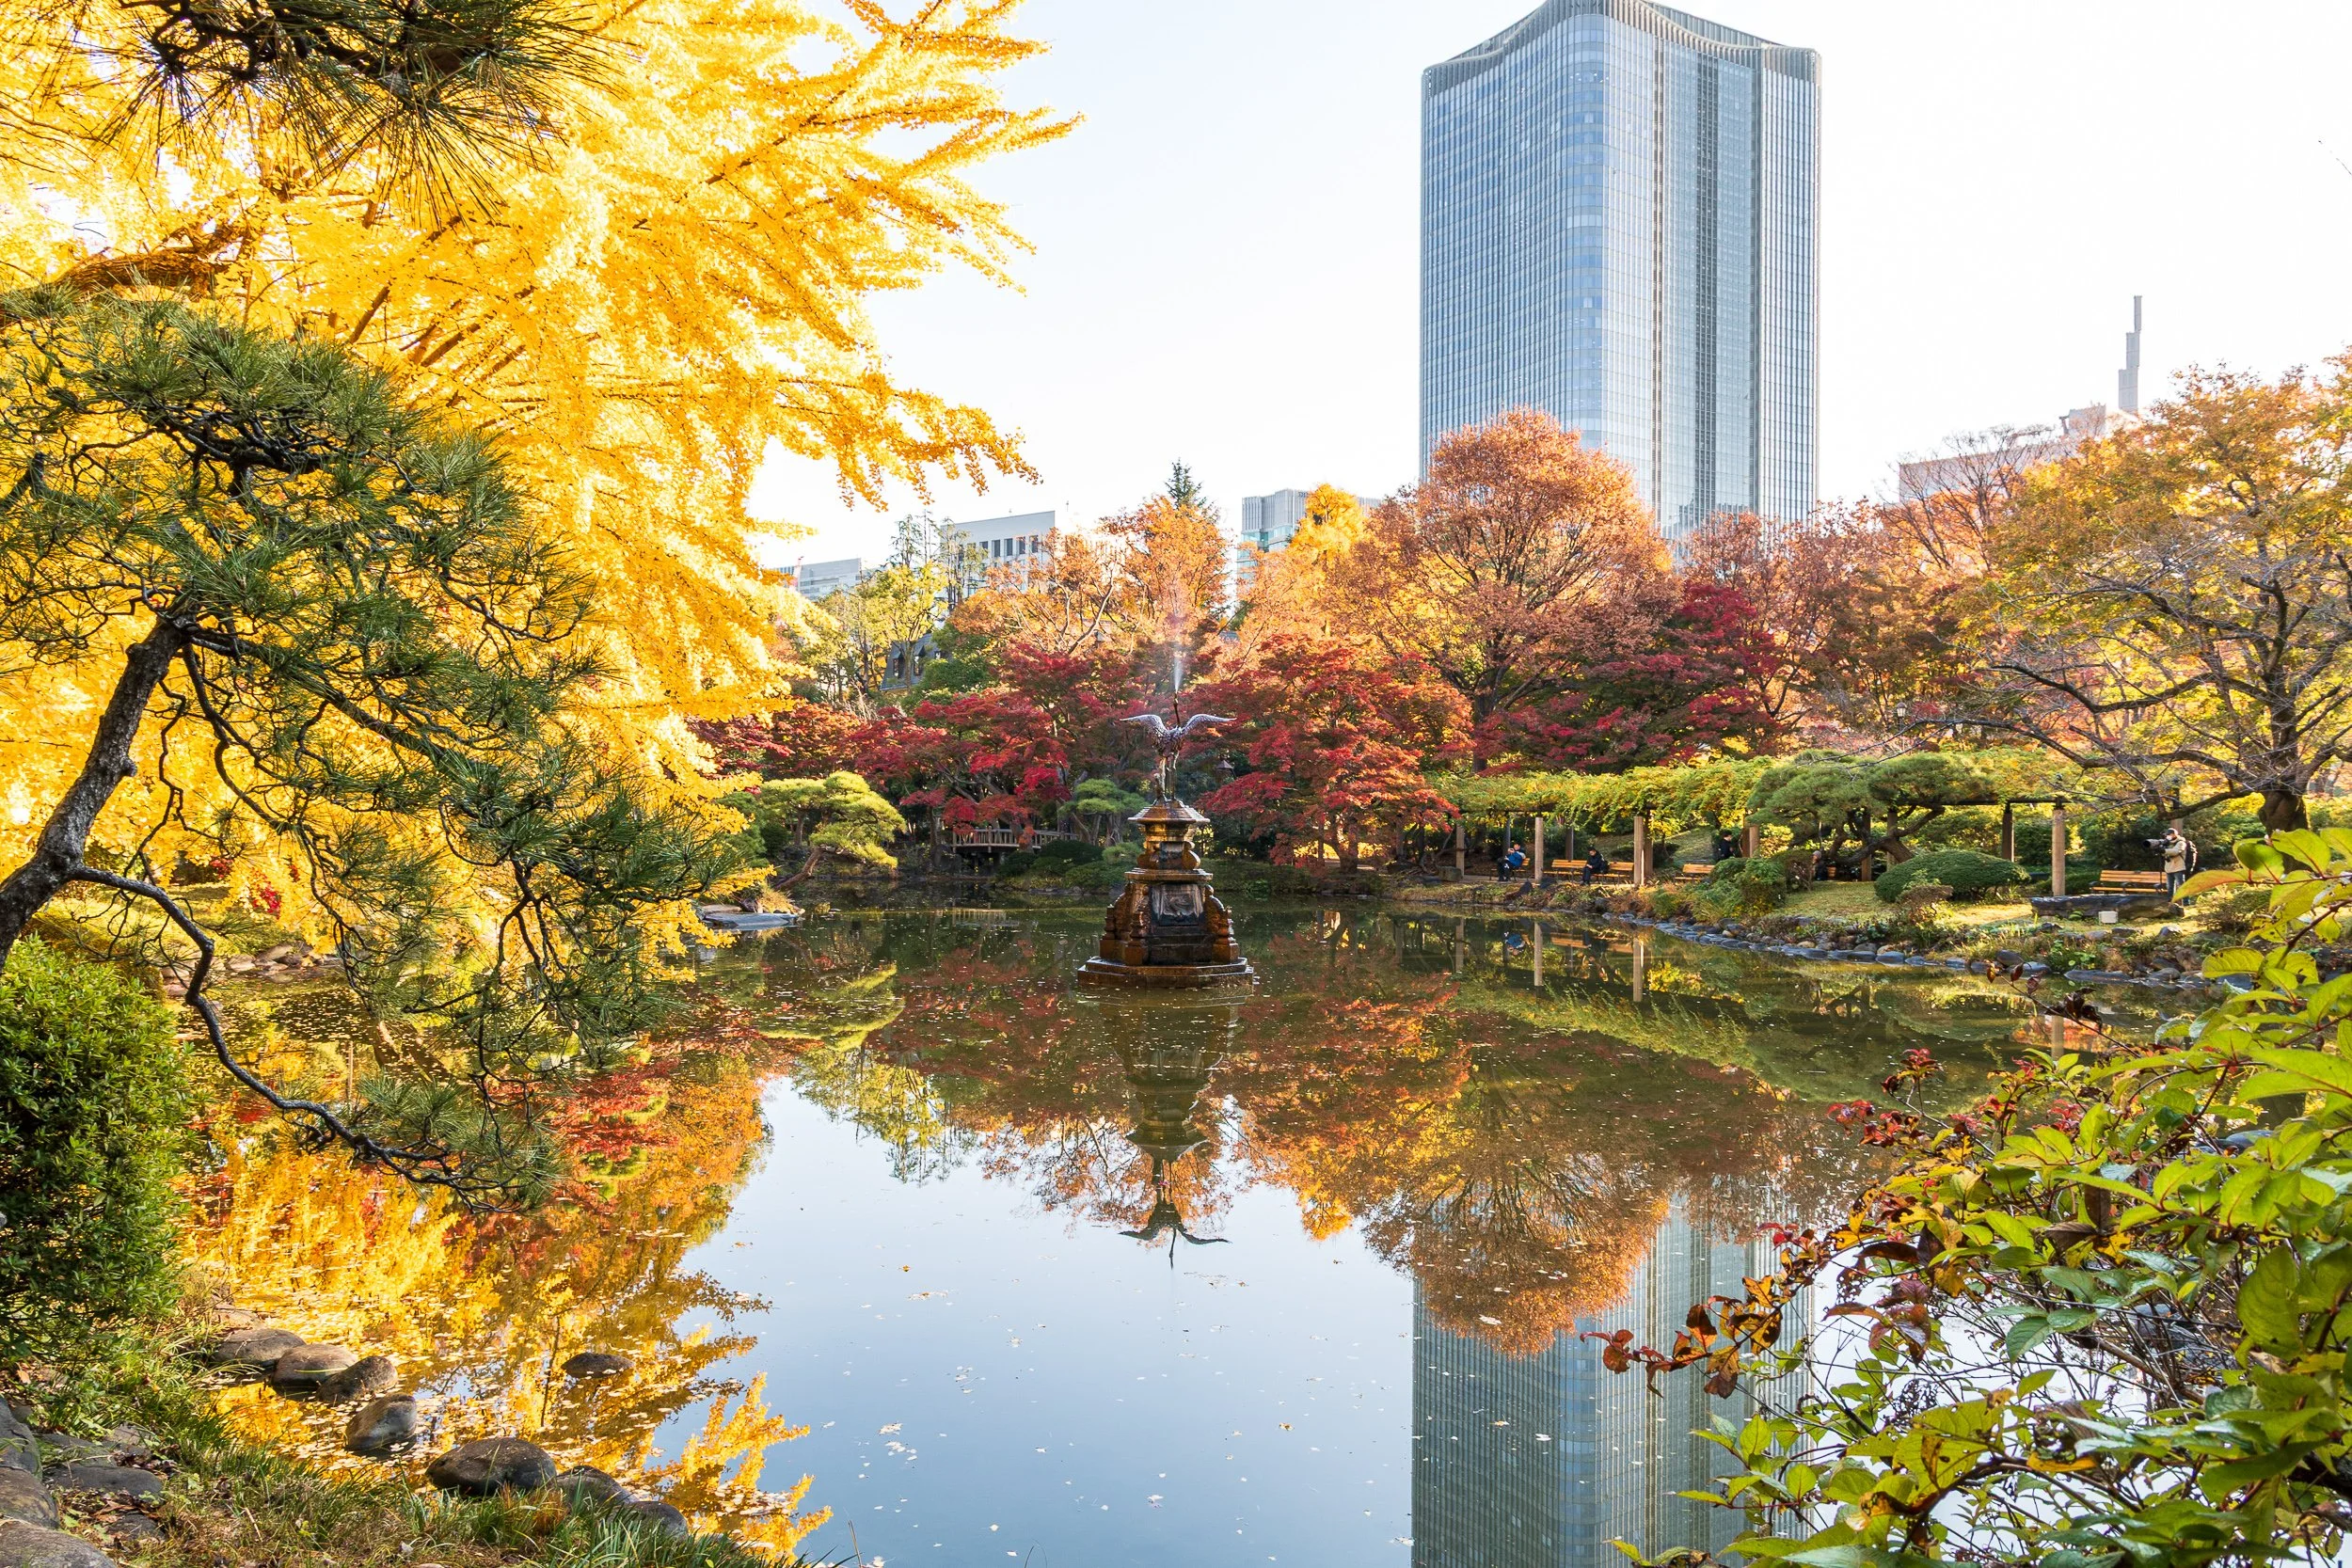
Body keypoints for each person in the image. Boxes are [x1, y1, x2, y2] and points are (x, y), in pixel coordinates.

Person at [2158, 827, 2196, 899]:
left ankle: (2185, 902)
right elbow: (2164, 854)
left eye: (2168, 835)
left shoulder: (2181, 843)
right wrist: (2159, 850)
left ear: (2173, 834)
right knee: (2169, 887)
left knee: (2181, 886)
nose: (2167, 836)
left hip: (2178, 867)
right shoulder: (2167, 843)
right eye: (2166, 835)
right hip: (2169, 868)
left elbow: (2175, 852)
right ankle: (2170, 901)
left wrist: (2164, 851)